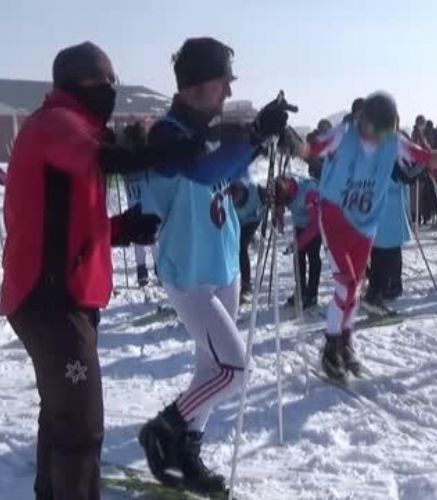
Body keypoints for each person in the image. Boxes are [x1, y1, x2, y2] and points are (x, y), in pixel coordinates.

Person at [0, 41, 193, 500]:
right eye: (109, 84)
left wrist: (121, 228)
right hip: (51, 301)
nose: (113, 92)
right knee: (81, 428)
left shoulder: (70, 127)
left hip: (61, 295)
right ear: (85, 84)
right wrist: (167, 148)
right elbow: (104, 157)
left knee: (62, 417)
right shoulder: (56, 124)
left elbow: (66, 223)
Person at [137, 37, 292, 495]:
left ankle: (189, 450)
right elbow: (203, 171)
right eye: (223, 84)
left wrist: (260, 185)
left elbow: (226, 183)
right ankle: (163, 429)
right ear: (197, 85)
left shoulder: (212, 130)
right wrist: (257, 133)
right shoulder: (166, 134)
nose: (227, 94)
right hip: (189, 273)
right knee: (236, 370)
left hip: (223, 264)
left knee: (211, 368)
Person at [295, 91, 437, 381]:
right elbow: (309, 150)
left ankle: (345, 341)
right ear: (362, 120)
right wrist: (291, 143)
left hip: (365, 224)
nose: (376, 138)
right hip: (335, 217)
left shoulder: (394, 142)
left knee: (356, 287)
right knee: (344, 284)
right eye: (372, 129)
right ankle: (330, 347)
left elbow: (429, 160)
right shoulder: (344, 135)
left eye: (383, 131)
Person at [363, 176, 411, 315]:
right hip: (390, 219)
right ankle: (383, 290)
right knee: (389, 257)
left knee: (382, 256)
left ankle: (378, 290)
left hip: (384, 220)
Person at [272, 174, 321, 308]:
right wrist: (279, 216)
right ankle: (300, 291)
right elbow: (280, 205)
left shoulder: (308, 192)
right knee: (298, 259)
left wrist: (298, 243)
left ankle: (312, 294)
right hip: (299, 224)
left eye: (284, 199)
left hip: (315, 226)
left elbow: (315, 225)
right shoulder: (285, 193)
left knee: (313, 258)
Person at [121, 121, 159, 287]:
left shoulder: (132, 163)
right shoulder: (142, 162)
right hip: (145, 207)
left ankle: (147, 271)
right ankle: (149, 271)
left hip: (141, 207)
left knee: (147, 241)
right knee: (152, 241)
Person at [230, 176, 272, 304]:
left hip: (252, 220)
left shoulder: (255, 190)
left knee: (242, 246)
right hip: (236, 222)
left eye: (237, 198)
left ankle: (245, 283)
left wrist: (269, 205)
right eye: (234, 200)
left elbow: (269, 199)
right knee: (232, 247)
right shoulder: (227, 198)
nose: (236, 201)